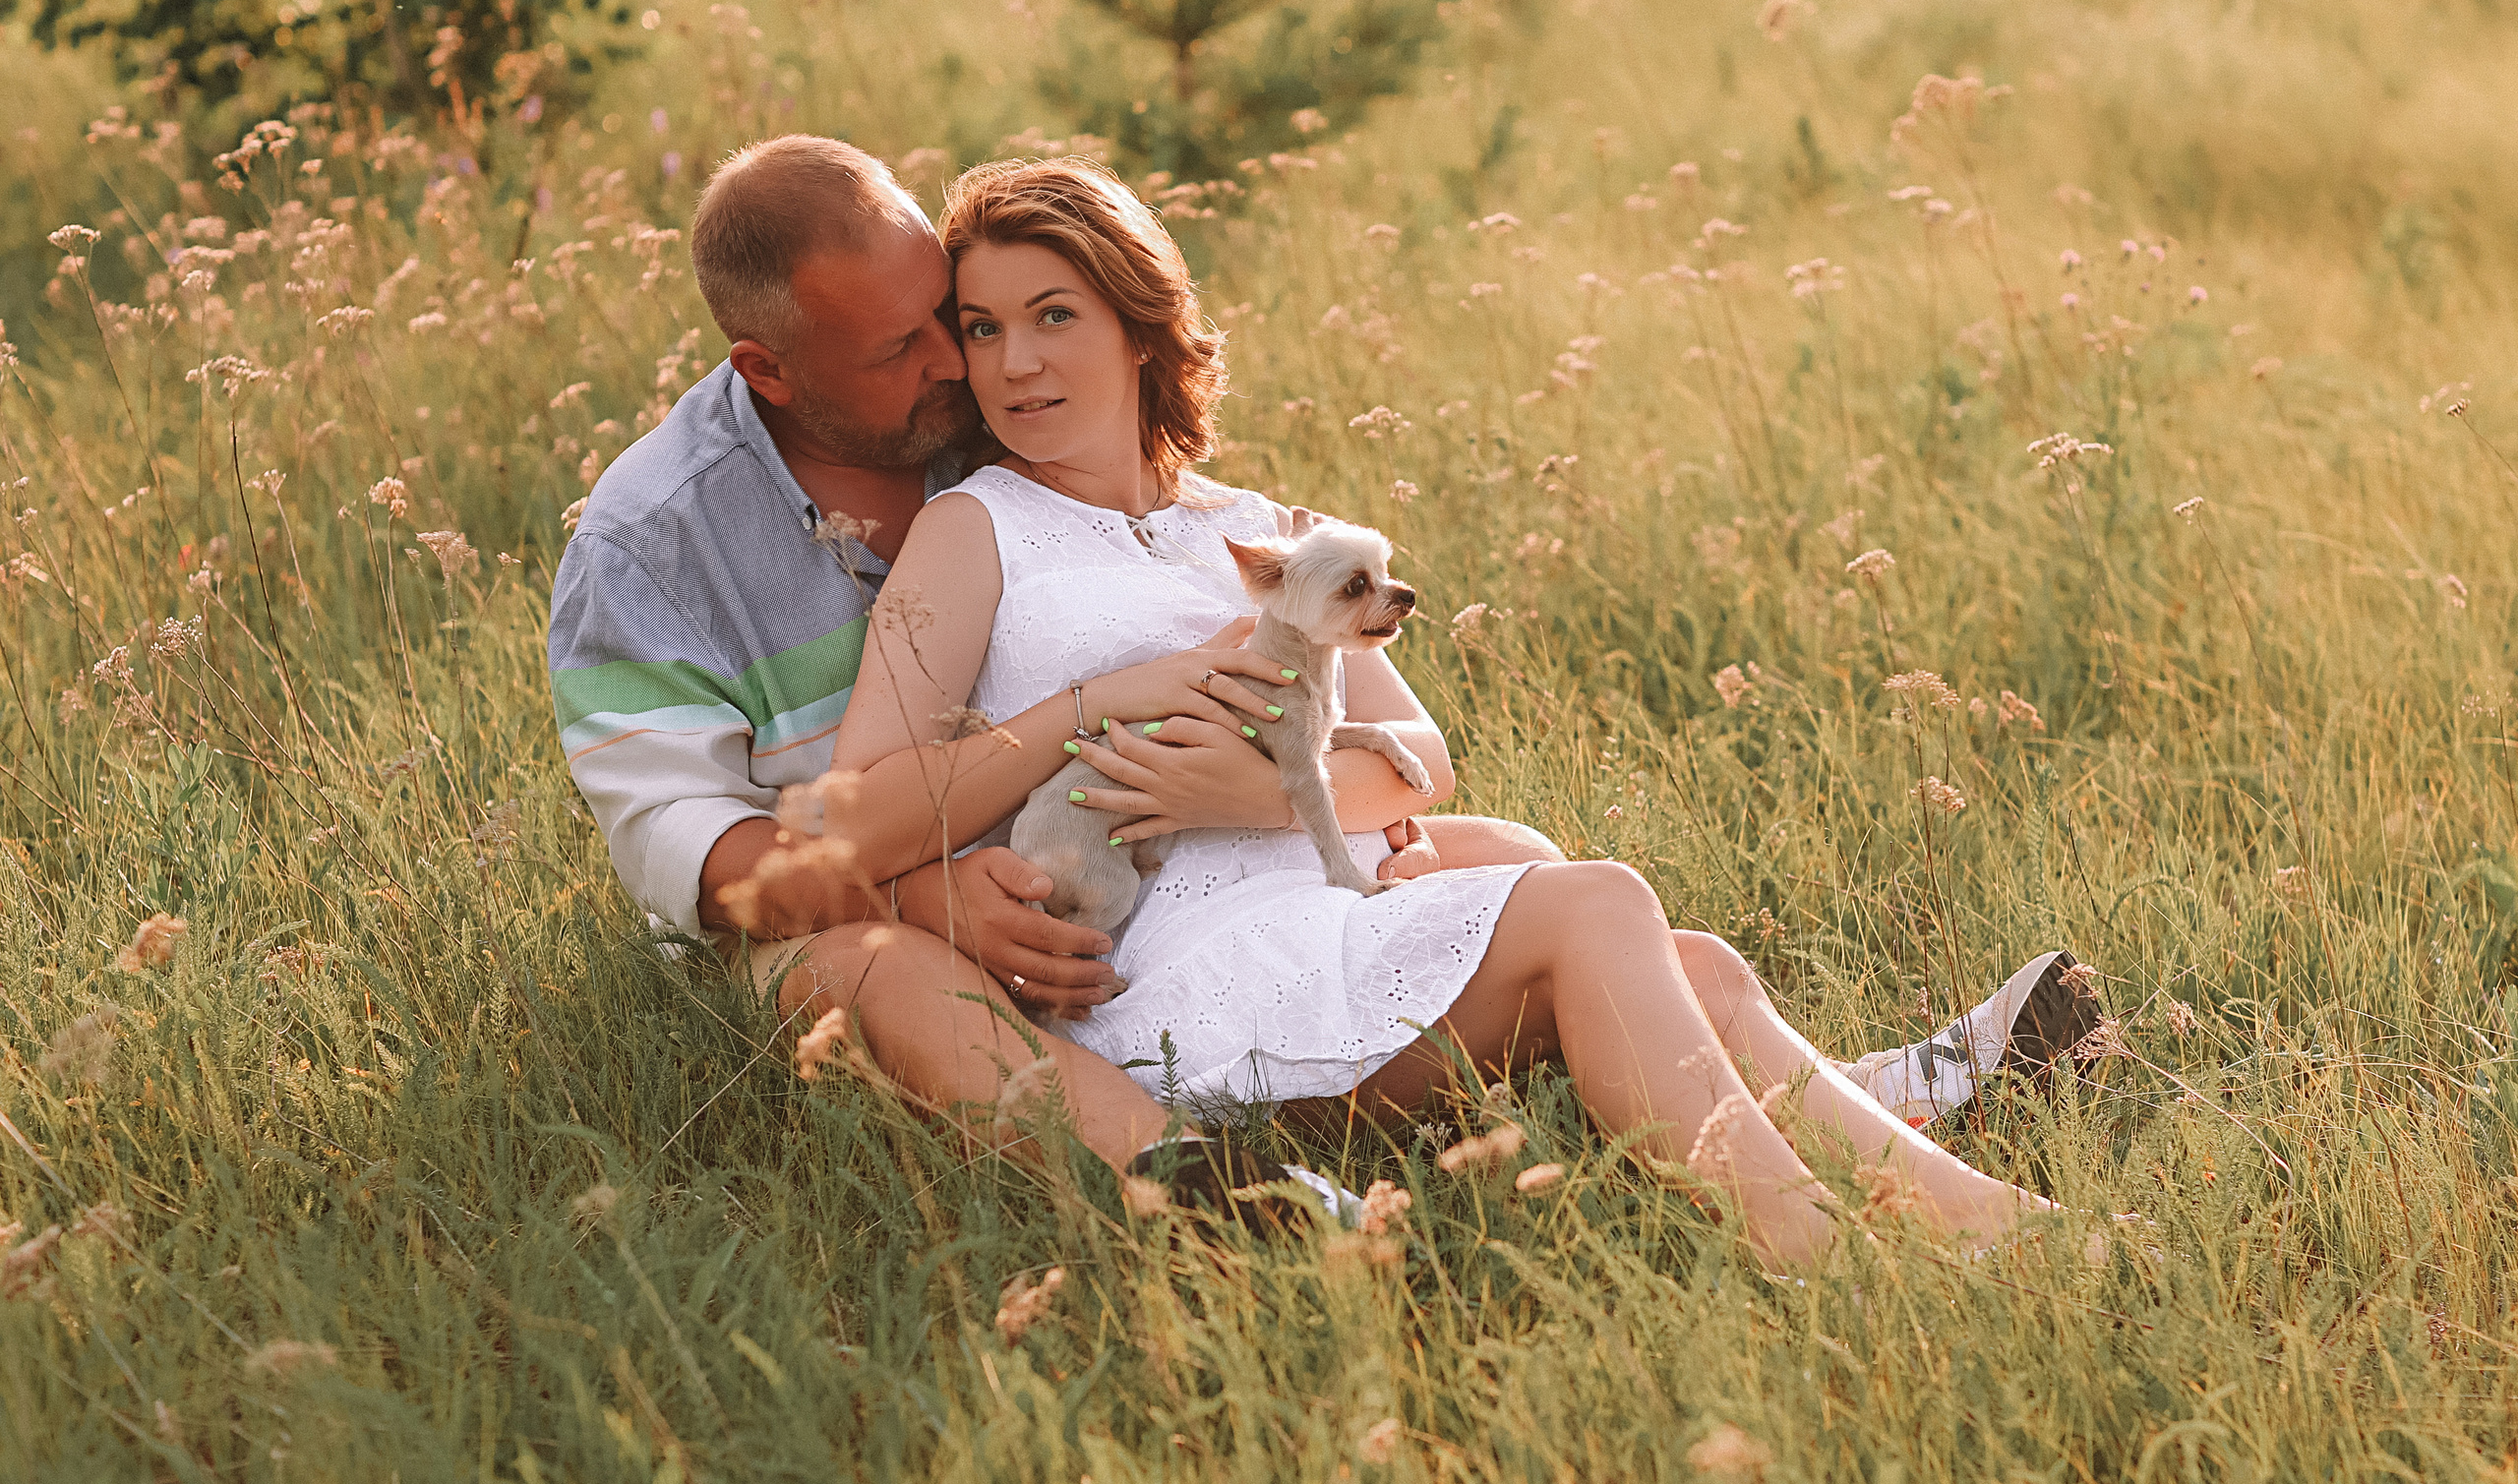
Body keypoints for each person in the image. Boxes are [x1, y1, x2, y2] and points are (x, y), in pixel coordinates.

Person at [546, 135, 2094, 1237]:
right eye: (958, 336)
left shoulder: (1249, 529)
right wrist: (1054, 758)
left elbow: (1410, 756)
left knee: (1614, 910)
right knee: (1594, 900)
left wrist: (1258, 790)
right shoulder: (789, 534)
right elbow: (791, 835)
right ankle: (1835, 1250)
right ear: (775, 368)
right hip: (1093, 953)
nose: (986, 372)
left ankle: (1956, 1185)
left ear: (1141, 324)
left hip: (1290, 902)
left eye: (1043, 320)